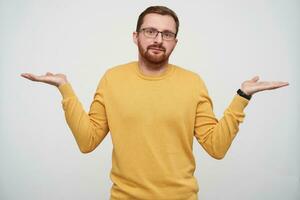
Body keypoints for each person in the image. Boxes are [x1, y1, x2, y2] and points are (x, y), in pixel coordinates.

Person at [21, 5, 289, 200]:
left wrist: (242, 96)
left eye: (167, 34)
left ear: (175, 41)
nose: (158, 39)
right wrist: (65, 89)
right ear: (136, 36)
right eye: (150, 31)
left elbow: (216, 147)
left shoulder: (193, 82)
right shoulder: (112, 79)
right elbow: (87, 141)